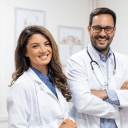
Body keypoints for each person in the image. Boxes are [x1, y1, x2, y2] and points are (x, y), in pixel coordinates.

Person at [66, 7, 128, 128]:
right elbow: (82, 103)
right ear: (89, 29)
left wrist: (105, 94)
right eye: (97, 28)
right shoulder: (76, 61)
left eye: (108, 29)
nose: (102, 33)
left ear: (114, 31)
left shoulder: (125, 61)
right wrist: (119, 105)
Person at [7, 25, 77, 128]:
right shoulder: (21, 86)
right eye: (35, 46)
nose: (43, 50)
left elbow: (63, 115)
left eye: (47, 44)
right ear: (25, 52)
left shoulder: (56, 80)